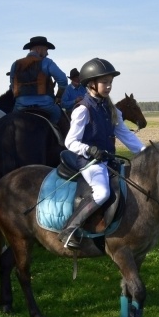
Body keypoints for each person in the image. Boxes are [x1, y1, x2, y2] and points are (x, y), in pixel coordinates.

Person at [59, 58, 146, 250]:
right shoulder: (83, 109)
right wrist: (89, 149)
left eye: (110, 83)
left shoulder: (111, 109)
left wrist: (146, 152)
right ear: (91, 84)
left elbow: (125, 135)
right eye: (104, 82)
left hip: (108, 160)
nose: (108, 87)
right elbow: (70, 142)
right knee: (102, 192)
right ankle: (70, 229)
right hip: (89, 161)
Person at [9, 36, 68, 124]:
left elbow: (12, 86)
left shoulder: (15, 64)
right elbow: (63, 80)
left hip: (20, 106)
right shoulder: (47, 62)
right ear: (38, 49)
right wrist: (59, 96)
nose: (47, 53)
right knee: (62, 120)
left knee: (10, 123)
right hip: (46, 105)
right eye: (46, 50)